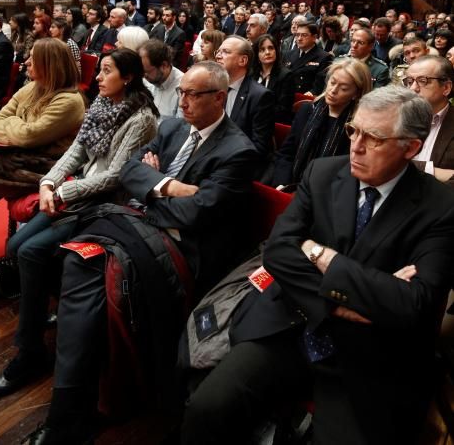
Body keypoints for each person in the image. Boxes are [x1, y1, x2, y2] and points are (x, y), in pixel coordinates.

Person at [181, 86, 454, 445]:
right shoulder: (324, 173)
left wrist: (321, 254)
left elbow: (414, 305)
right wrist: (342, 302)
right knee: (206, 409)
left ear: (411, 147)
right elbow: (278, 252)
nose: (356, 146)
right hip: (290, 323)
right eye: (353, 130)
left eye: (373, 138)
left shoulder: (441, 206)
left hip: (370, 353)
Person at [20, 61, 259, 445]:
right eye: (181, 93)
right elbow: (129, 171)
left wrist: (153, 187)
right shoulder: (171, 127)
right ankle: (83, 397)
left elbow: (197, 214)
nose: (183, 101)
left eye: (193, 94)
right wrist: (170, 186)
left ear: (220, 97)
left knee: (85, 272)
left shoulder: (239, 151)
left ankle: (70, 410)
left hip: (186, 248)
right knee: (71, 263)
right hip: (140, 225)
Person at [0, 49, 158, 399]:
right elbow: (76, 153)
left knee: (32, 251)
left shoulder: (141, 119)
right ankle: (56, 306)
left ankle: (29, 351)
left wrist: (65, 191)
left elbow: (115, 176)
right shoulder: (101, 104)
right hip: (76, 194)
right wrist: (48, 183)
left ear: (127, 77)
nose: (97, 76)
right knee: (16, 247)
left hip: (106, 205)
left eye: (106, 71)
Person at [0, 39, 85, 197]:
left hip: (44, 163)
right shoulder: (32, 86)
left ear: (49, 64)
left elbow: (28, 137)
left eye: (33, 58)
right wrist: (19, 129)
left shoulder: (69, 100)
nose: (26, 62)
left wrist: (12, 122)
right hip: (20, 153)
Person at [270, 57, 372, 188]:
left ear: (356, 94)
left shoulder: (357, 128)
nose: (333, 90)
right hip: (290, 185)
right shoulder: (307, 110)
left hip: (327, 195)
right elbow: (286, 153)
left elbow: (350, 175)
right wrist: (282, 183)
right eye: (332, 82)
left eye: (344, 88)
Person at [215, 36, 275, 162]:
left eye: (225, 52)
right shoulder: (213, 88)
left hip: (237, 162)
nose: (218, 56)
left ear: (243, 60)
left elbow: (259, 147)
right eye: (218, 51)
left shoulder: (260, 96)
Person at [403, 55, 454, 184]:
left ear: (446, 88)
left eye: (423, 81)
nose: (413, 88)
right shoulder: (395, 118)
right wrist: (430, 169)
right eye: (409, 81)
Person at [252, 34, 295, 124]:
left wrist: (257, 113)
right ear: (257, 55)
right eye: (262, 50)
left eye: (271, 48)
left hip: (273, 123)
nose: (267, 52)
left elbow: (283, 109)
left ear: (276, 51)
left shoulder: (286, 75)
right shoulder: (252, 74)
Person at [284, 21, 333, 95]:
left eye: (304, 35)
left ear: (314, 37)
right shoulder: (289, 54)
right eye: (297, 35)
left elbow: (319, 86)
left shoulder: (324, 57)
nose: (299, 38)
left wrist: (310, 94)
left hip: (305, 99)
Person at [140, 39, 183, 119]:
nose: (143, 76)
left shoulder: (183, 88)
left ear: (164, 65)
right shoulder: (146, 80)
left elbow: (179, 127)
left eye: (146, 71)